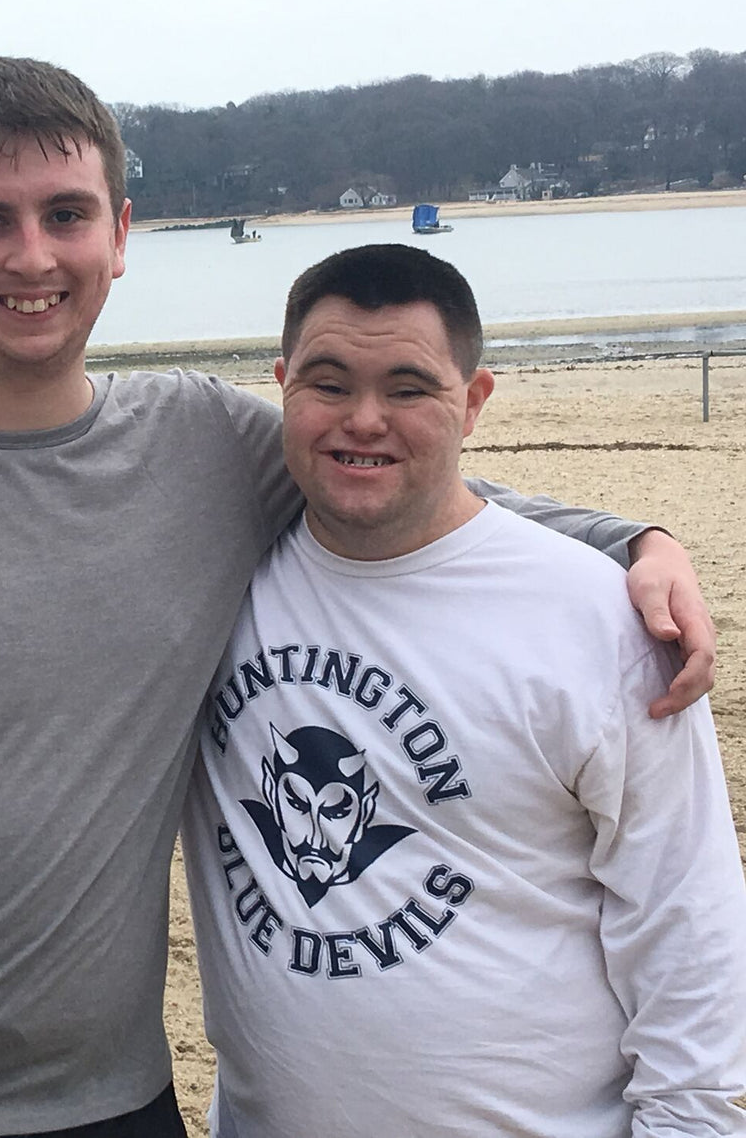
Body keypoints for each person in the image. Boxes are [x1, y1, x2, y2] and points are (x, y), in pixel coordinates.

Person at [0, 56, 712, 1137]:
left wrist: (634, 539)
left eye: (65, 214)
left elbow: (398, 477)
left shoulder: (203, 445)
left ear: (120, 235)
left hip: (127, 1100)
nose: (33, 255)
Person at [178, 245, 746, 1136]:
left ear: (474, 401)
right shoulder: (215, 578)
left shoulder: (601, 619)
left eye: (409, 389)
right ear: (282, 386)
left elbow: (686, 927)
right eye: (329, 384)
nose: (364, 420)